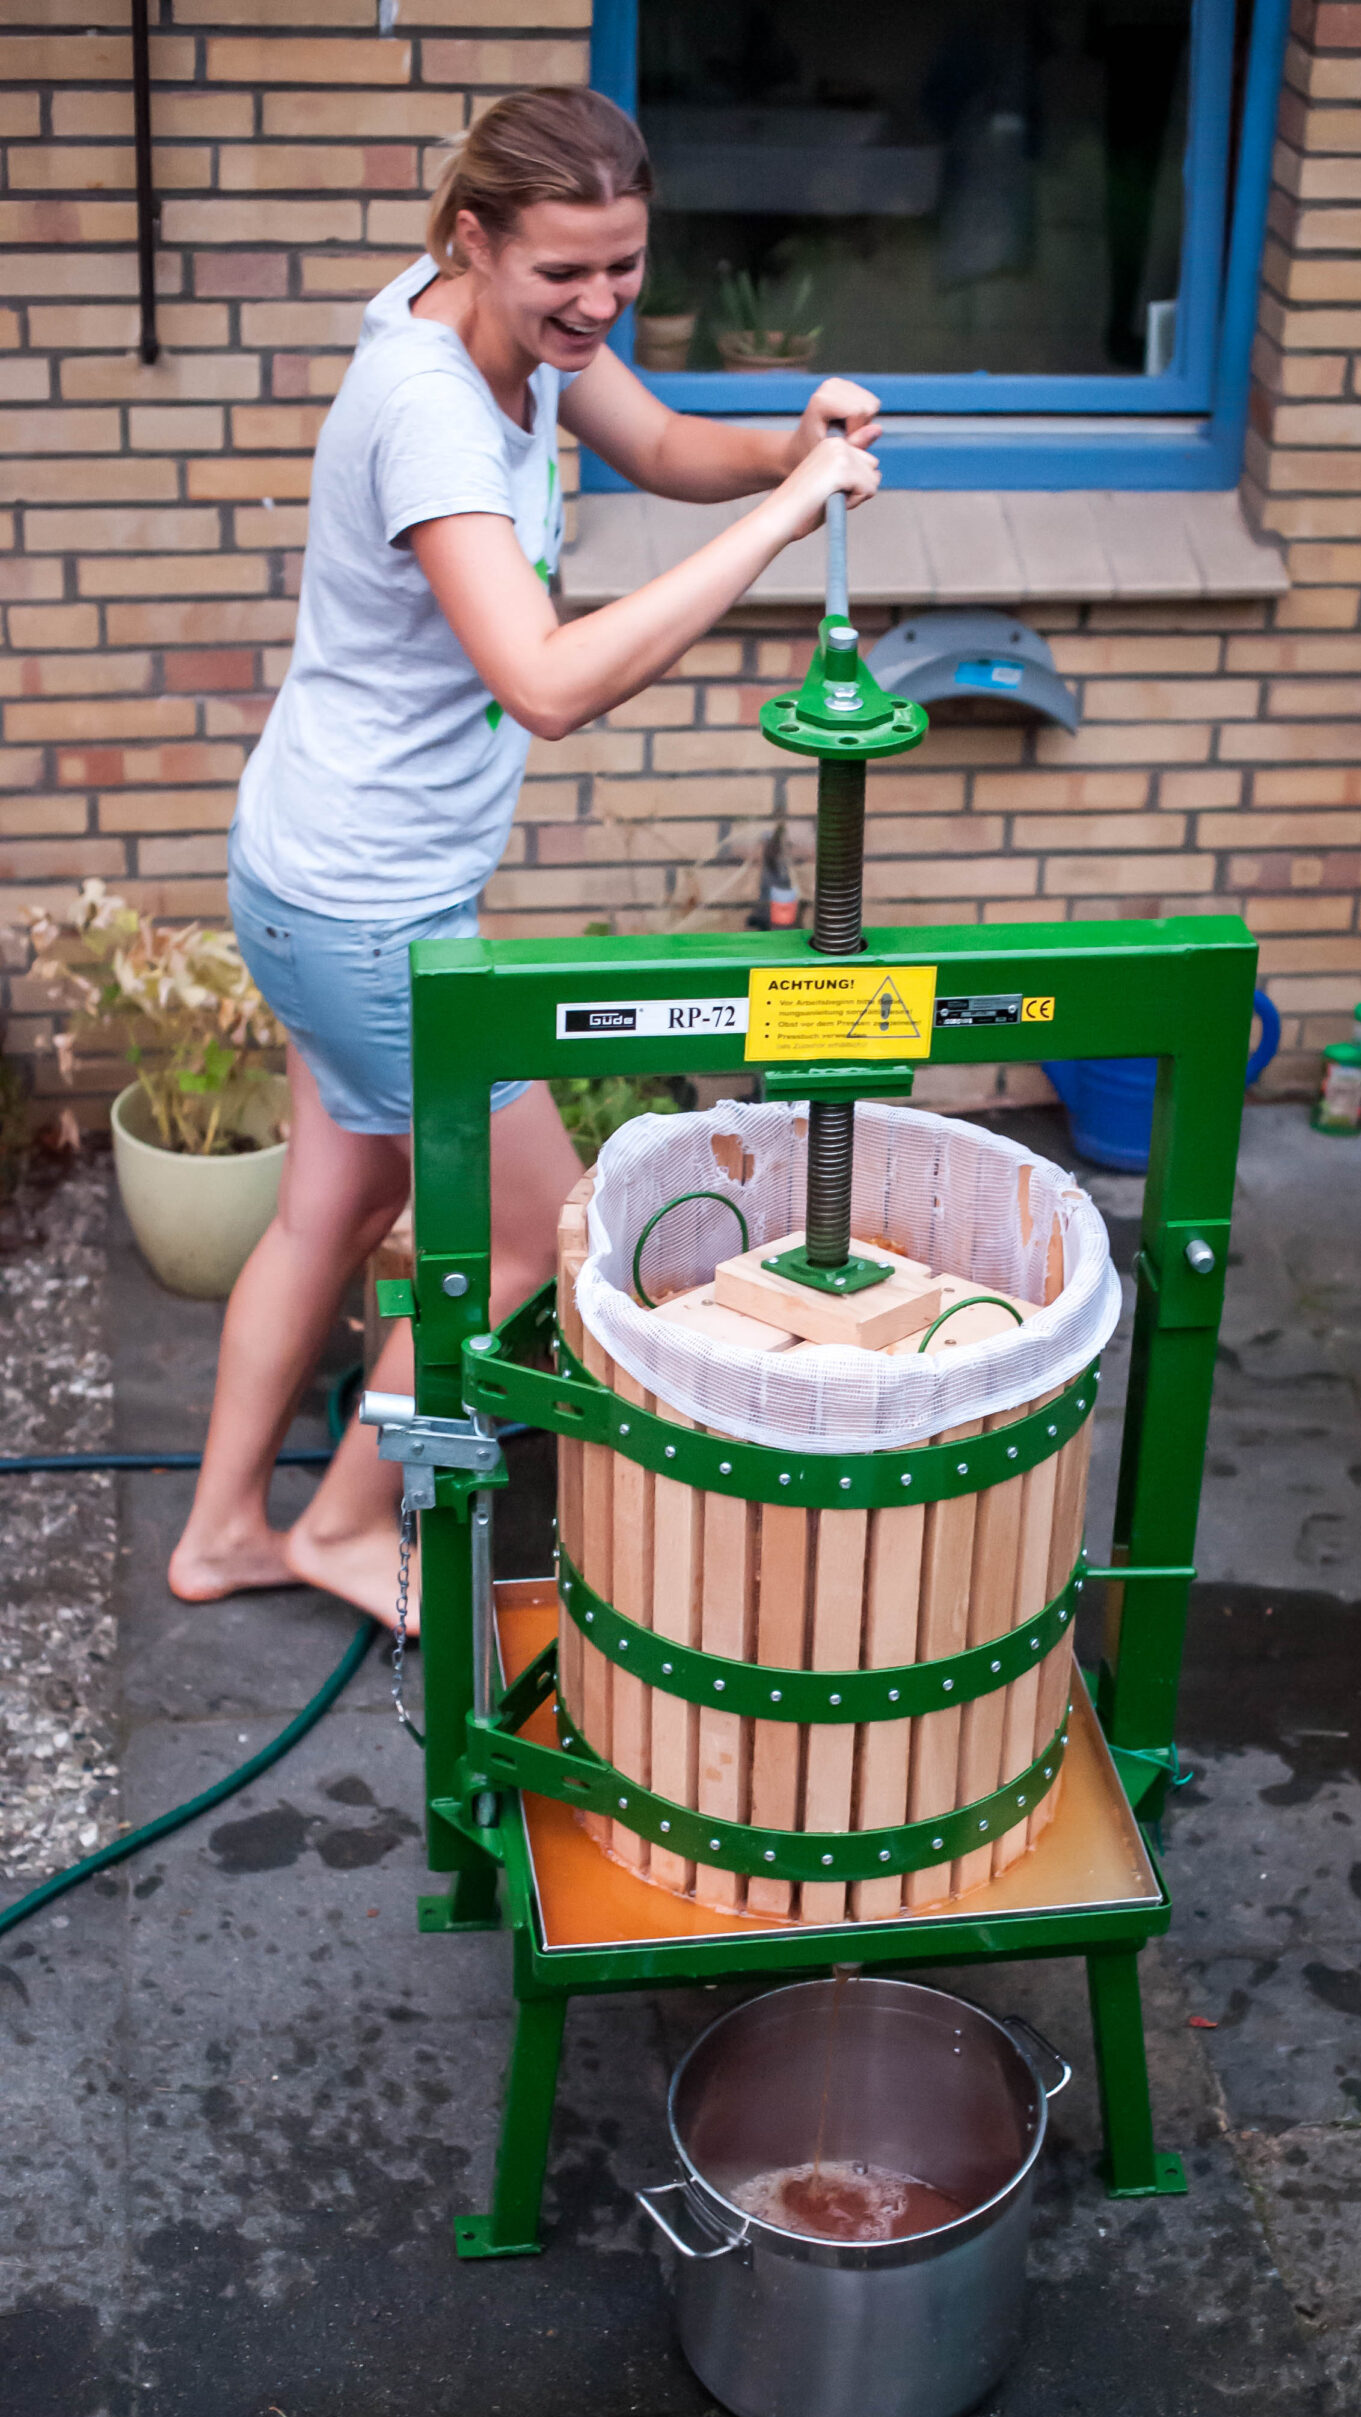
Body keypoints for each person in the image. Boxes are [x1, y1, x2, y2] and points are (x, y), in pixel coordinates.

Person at [168, 85, 881, 1627]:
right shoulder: (430, 406)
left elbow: (664, 439)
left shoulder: (521, 331)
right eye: (567, 271)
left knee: (330, 1210)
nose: (600, 302)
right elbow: (545, 684)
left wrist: (783, 446)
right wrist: (787, 519)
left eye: (625, 264)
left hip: (321, 873)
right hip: (366, 905)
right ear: (473, 237)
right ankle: (343, 1526)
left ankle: (221, 1532)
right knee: (527, 1241)